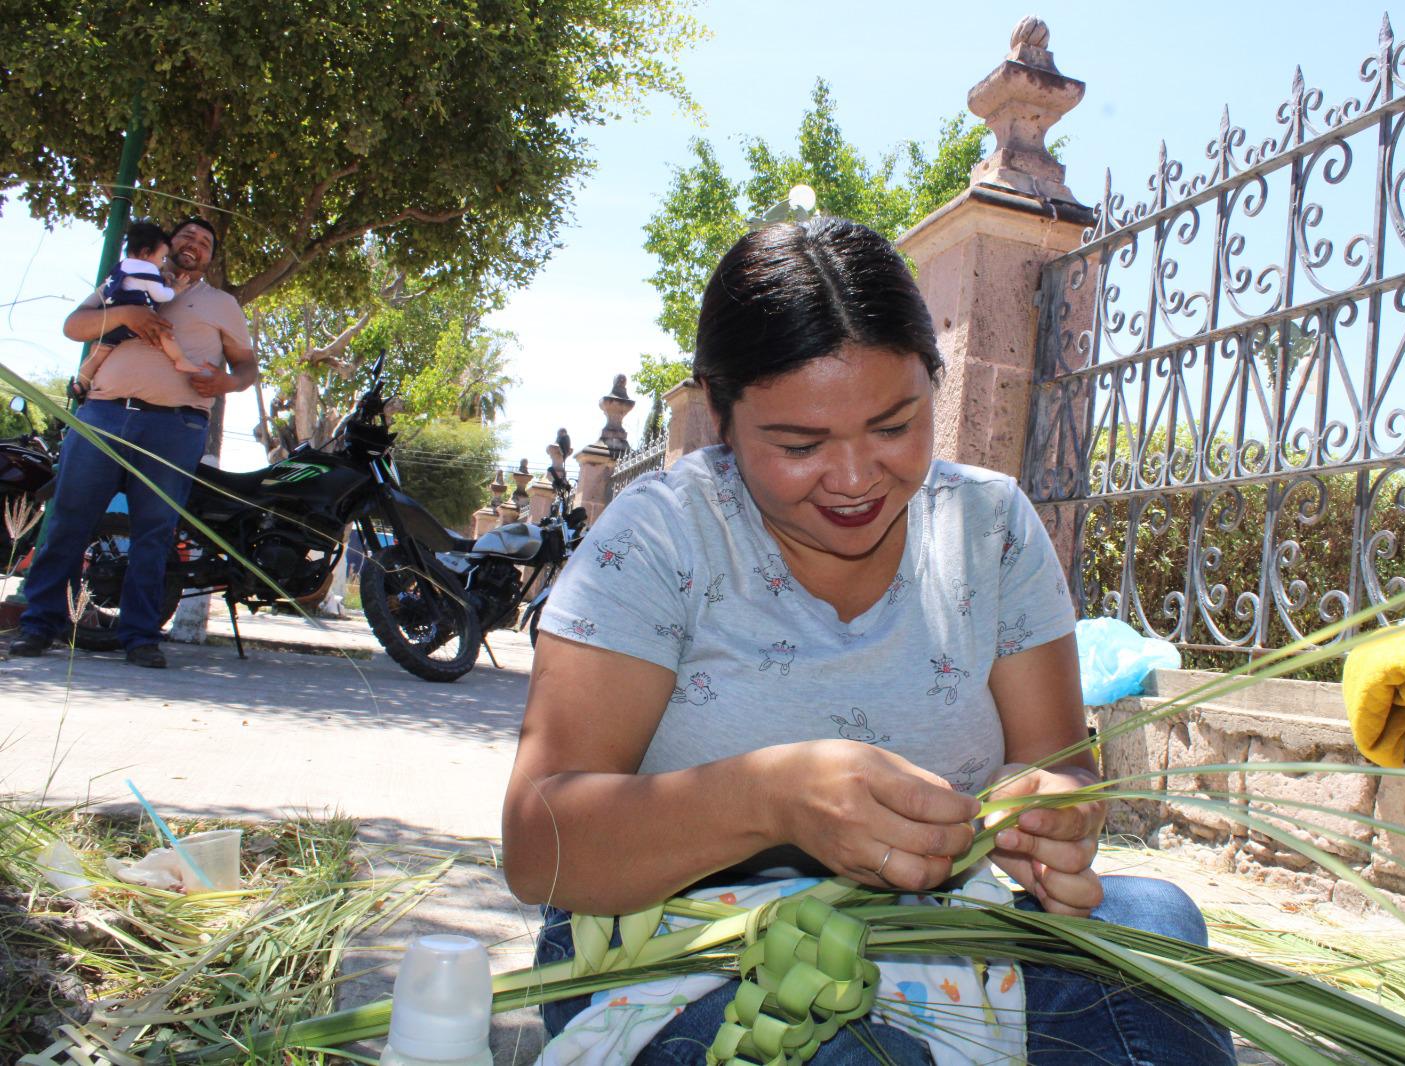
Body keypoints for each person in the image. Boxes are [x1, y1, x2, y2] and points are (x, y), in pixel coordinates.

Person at [501, 218, 1236, 1064]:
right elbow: (536, 843)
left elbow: (1061, 764)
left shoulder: (989, 528)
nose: (854, 480)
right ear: (719, 415)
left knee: (1152, 927)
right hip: (675, 951)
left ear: (933, 382)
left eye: (894, 426)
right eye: (800, 444)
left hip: (938, 940)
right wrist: (767, 798)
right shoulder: (662, 541)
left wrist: (1050, 817)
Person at [9, 217, 258, 669]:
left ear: (208, 260)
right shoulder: (124, 278)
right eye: (187, 236)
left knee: (155, 533)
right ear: (167, 242)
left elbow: (248, 369)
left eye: (205, 243)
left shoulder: (222, 304)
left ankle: (141, 637)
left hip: (176, 427)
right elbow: (73, 326)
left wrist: (227, 382)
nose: (194, 245)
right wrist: (125, 314)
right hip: (102, 416)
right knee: (68, 521)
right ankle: (39, 626)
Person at [72, 221, 205, 399]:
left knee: (97, 354)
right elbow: (159, 295)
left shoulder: (121, 267)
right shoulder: (148, 269)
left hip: (110, 324)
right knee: (164, 333)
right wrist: (175, 290)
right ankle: (180, 359)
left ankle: (80, 384)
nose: (162, 264)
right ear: (145, 253)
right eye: (162, 258)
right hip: (138, 320)